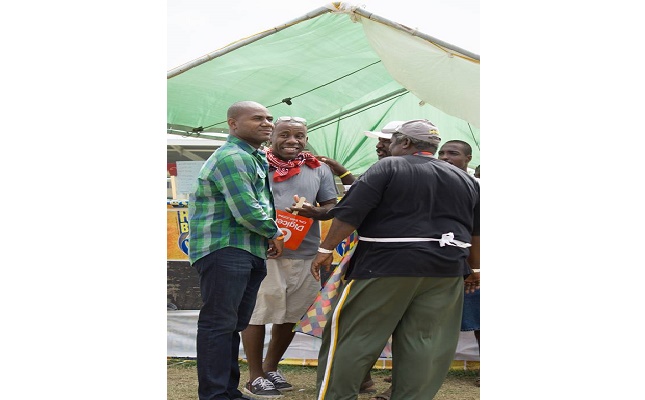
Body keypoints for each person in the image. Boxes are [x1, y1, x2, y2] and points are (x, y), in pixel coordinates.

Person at [306, 119, 480, 400]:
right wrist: (476, 268)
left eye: (393, 141)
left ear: (405, 142)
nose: (388, 146)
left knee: (355, 336)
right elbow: (476, 230)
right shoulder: (466, 179)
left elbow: (350, 214)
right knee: (424, 341)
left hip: (386, 265)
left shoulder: (388, 166)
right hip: (446, 269)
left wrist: (325, 250)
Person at [188, 100, 285, 400]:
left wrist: (267, 236)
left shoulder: (253, 156)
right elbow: (246, 209)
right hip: (225, 248)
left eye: (269, 118)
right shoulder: (232, 157)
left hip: (246, 248)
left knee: (231, 325)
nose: (267, 123)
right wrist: (275, 232)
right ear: (233, 124)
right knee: (219, 325)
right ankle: (215, 395)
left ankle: (227, 392)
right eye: (257, 118)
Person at [241, 116, 339, 399]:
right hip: (264, 251)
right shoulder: (255, 163)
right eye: (284, 134)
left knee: (291, 315)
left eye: (299, 135)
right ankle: (255, 376)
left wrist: (314, 211)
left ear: (306, 139)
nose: (292, 141)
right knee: (258, 313)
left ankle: (270, 368)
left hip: (306, 252)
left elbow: (331, 205)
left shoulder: (318, 168)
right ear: (272, 136)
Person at [438, 140, 481, 387]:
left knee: (480, 319)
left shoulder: (477, 187)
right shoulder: (432, 183)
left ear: (468, 159)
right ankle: (423, 368)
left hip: (471, 264)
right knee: (433, 319)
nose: (445, 157)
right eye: (441, 153)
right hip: (439, 262)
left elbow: (478, 231)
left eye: (452, 153)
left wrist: (476, 268)